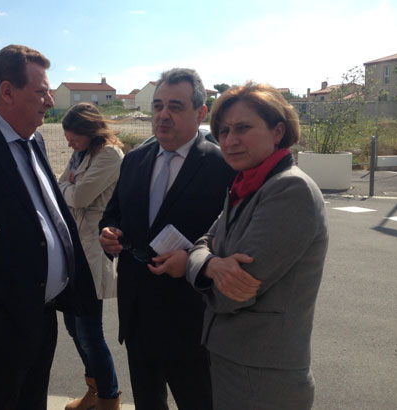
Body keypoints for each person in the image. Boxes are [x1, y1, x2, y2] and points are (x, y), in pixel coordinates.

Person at [149, 83, 328, 410]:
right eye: (224, 131)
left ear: (277, 132)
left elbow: (232, 293)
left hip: (263, 377)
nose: (230, 140)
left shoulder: (290, 189)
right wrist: (209, 263)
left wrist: (197, 262)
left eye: (243, 128)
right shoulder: (248, 184)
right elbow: (203, 243)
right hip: (234, 363)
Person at [0, 45, 98, 410]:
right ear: (7, 92)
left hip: (41, 315)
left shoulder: (35, 139)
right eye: (41, 91)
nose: (50, 100)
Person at [99, 68, 236, 410]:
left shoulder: (222, 166)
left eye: (175, 107)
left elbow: (234, 237)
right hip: (137, 313)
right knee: (147, 402)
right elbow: (113, 213)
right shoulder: (134, 160)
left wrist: (192, 261)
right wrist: (109, 232)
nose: (162, 115)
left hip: (190, 318)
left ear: (200, 113)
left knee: (199, 402)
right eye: (158, 105)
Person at [58, 103, 123, 410]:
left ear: (89, 131)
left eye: (74, 138)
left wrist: (69, 187)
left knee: (89, 333)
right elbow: (60, 186)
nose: (70, 144)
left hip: (91, 251)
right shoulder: (81, 154)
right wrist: (69, 187)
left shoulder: (109, 155)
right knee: (74, 328)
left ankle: (108, 398)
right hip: (73, 251)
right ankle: (93, 392)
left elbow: (80, 196)